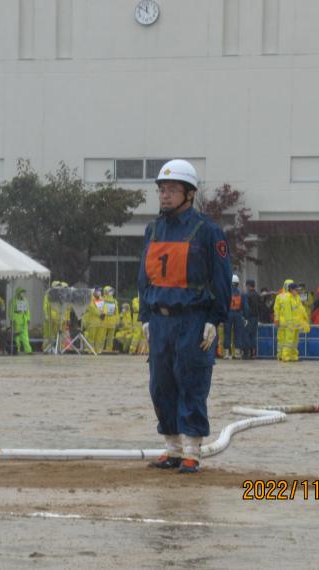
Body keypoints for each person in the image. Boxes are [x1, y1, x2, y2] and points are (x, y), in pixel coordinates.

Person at [137, 159, 231, 474]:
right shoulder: (153, 230)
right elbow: (144, 278)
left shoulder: (207, 231)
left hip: (193, 318)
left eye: (172, 189)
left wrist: (214, 320)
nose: (164, 195)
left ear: (189, 194)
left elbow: (221, 278)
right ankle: (171, 447)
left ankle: (192, 449)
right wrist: (145, 318)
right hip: (160, 320)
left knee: (191, 379)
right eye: (162, 190)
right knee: (160, 383)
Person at [223, 275, 247, 359]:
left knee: (227, 333)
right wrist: (245, 316)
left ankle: (226, 353)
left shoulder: (226, 293)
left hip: (228, 314)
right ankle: (237, 352)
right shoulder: (241, 294)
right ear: (238, 283)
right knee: (238, 333)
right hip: (238, 314)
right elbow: (245, 307)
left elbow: (223, 305)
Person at [9, 287, 32, 354]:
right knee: (17, 336)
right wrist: (12, 319)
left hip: (24, 319)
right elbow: (11, 311)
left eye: (23, 292)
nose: (23, 294)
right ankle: (17, 350)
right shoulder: (13, 301)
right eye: (21, 292)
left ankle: (28, 350)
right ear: (18, 293)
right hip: (17, 319)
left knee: (25, 336)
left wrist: (28, 319)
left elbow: (27, 311)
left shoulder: (25, 300)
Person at [83, 286, 105, 354]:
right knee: (91, 336)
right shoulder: (90, 299)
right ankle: (90, 350)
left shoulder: (102, 299)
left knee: (99, 337)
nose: (99, 292)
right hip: (92, 321)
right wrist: (99, 314)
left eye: (100, 291)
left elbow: (104, 307)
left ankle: (98, 350)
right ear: (94, 291)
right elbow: (91, 308)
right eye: (98, 291)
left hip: (101, 321)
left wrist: (104, 313)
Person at [243, 279, 260, 359]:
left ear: (248, 286)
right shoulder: (257, 295)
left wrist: (245, 317)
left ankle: (247, 353)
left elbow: (246, 307)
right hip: (256, 317)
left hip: (249, 317)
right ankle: (253, 353)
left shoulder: (247, 295)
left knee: (247, 334)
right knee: (253, 335)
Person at [102, 285, 119, 353]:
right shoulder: (102, 299)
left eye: (111, 291)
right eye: (109, 291)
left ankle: (109, 349)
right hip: (104, 321)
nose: (111, 292)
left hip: (112, 321)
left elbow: (116, 312)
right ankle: (100, 348)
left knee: (111, 337)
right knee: (102, 336)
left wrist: (117, 321)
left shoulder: (114, 301)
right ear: (105, 292)